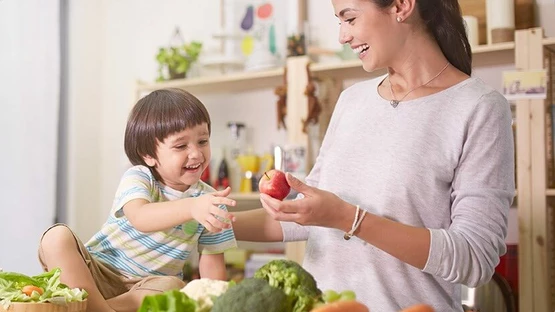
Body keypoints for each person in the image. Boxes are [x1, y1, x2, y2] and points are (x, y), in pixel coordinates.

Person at [233, 0, 515, 311]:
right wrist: (208, 225)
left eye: (349, 19)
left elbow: (475, 258)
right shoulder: (352, 100)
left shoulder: (479, 108)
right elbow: (306, 215)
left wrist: (346, 218)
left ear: (401, 6)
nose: (342, 36)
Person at [38, 88, 238, 312]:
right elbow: (140, 217)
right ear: (149, 155)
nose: (196, 154)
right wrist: (192, 207)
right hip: (96, 273)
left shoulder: (211, 202)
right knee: (55, 237)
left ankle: (92, 309)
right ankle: (96, 307)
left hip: (146, 289)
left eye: (203, 141)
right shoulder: (140, 177)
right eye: (181, 146)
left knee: (175, 287)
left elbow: (212, 277)